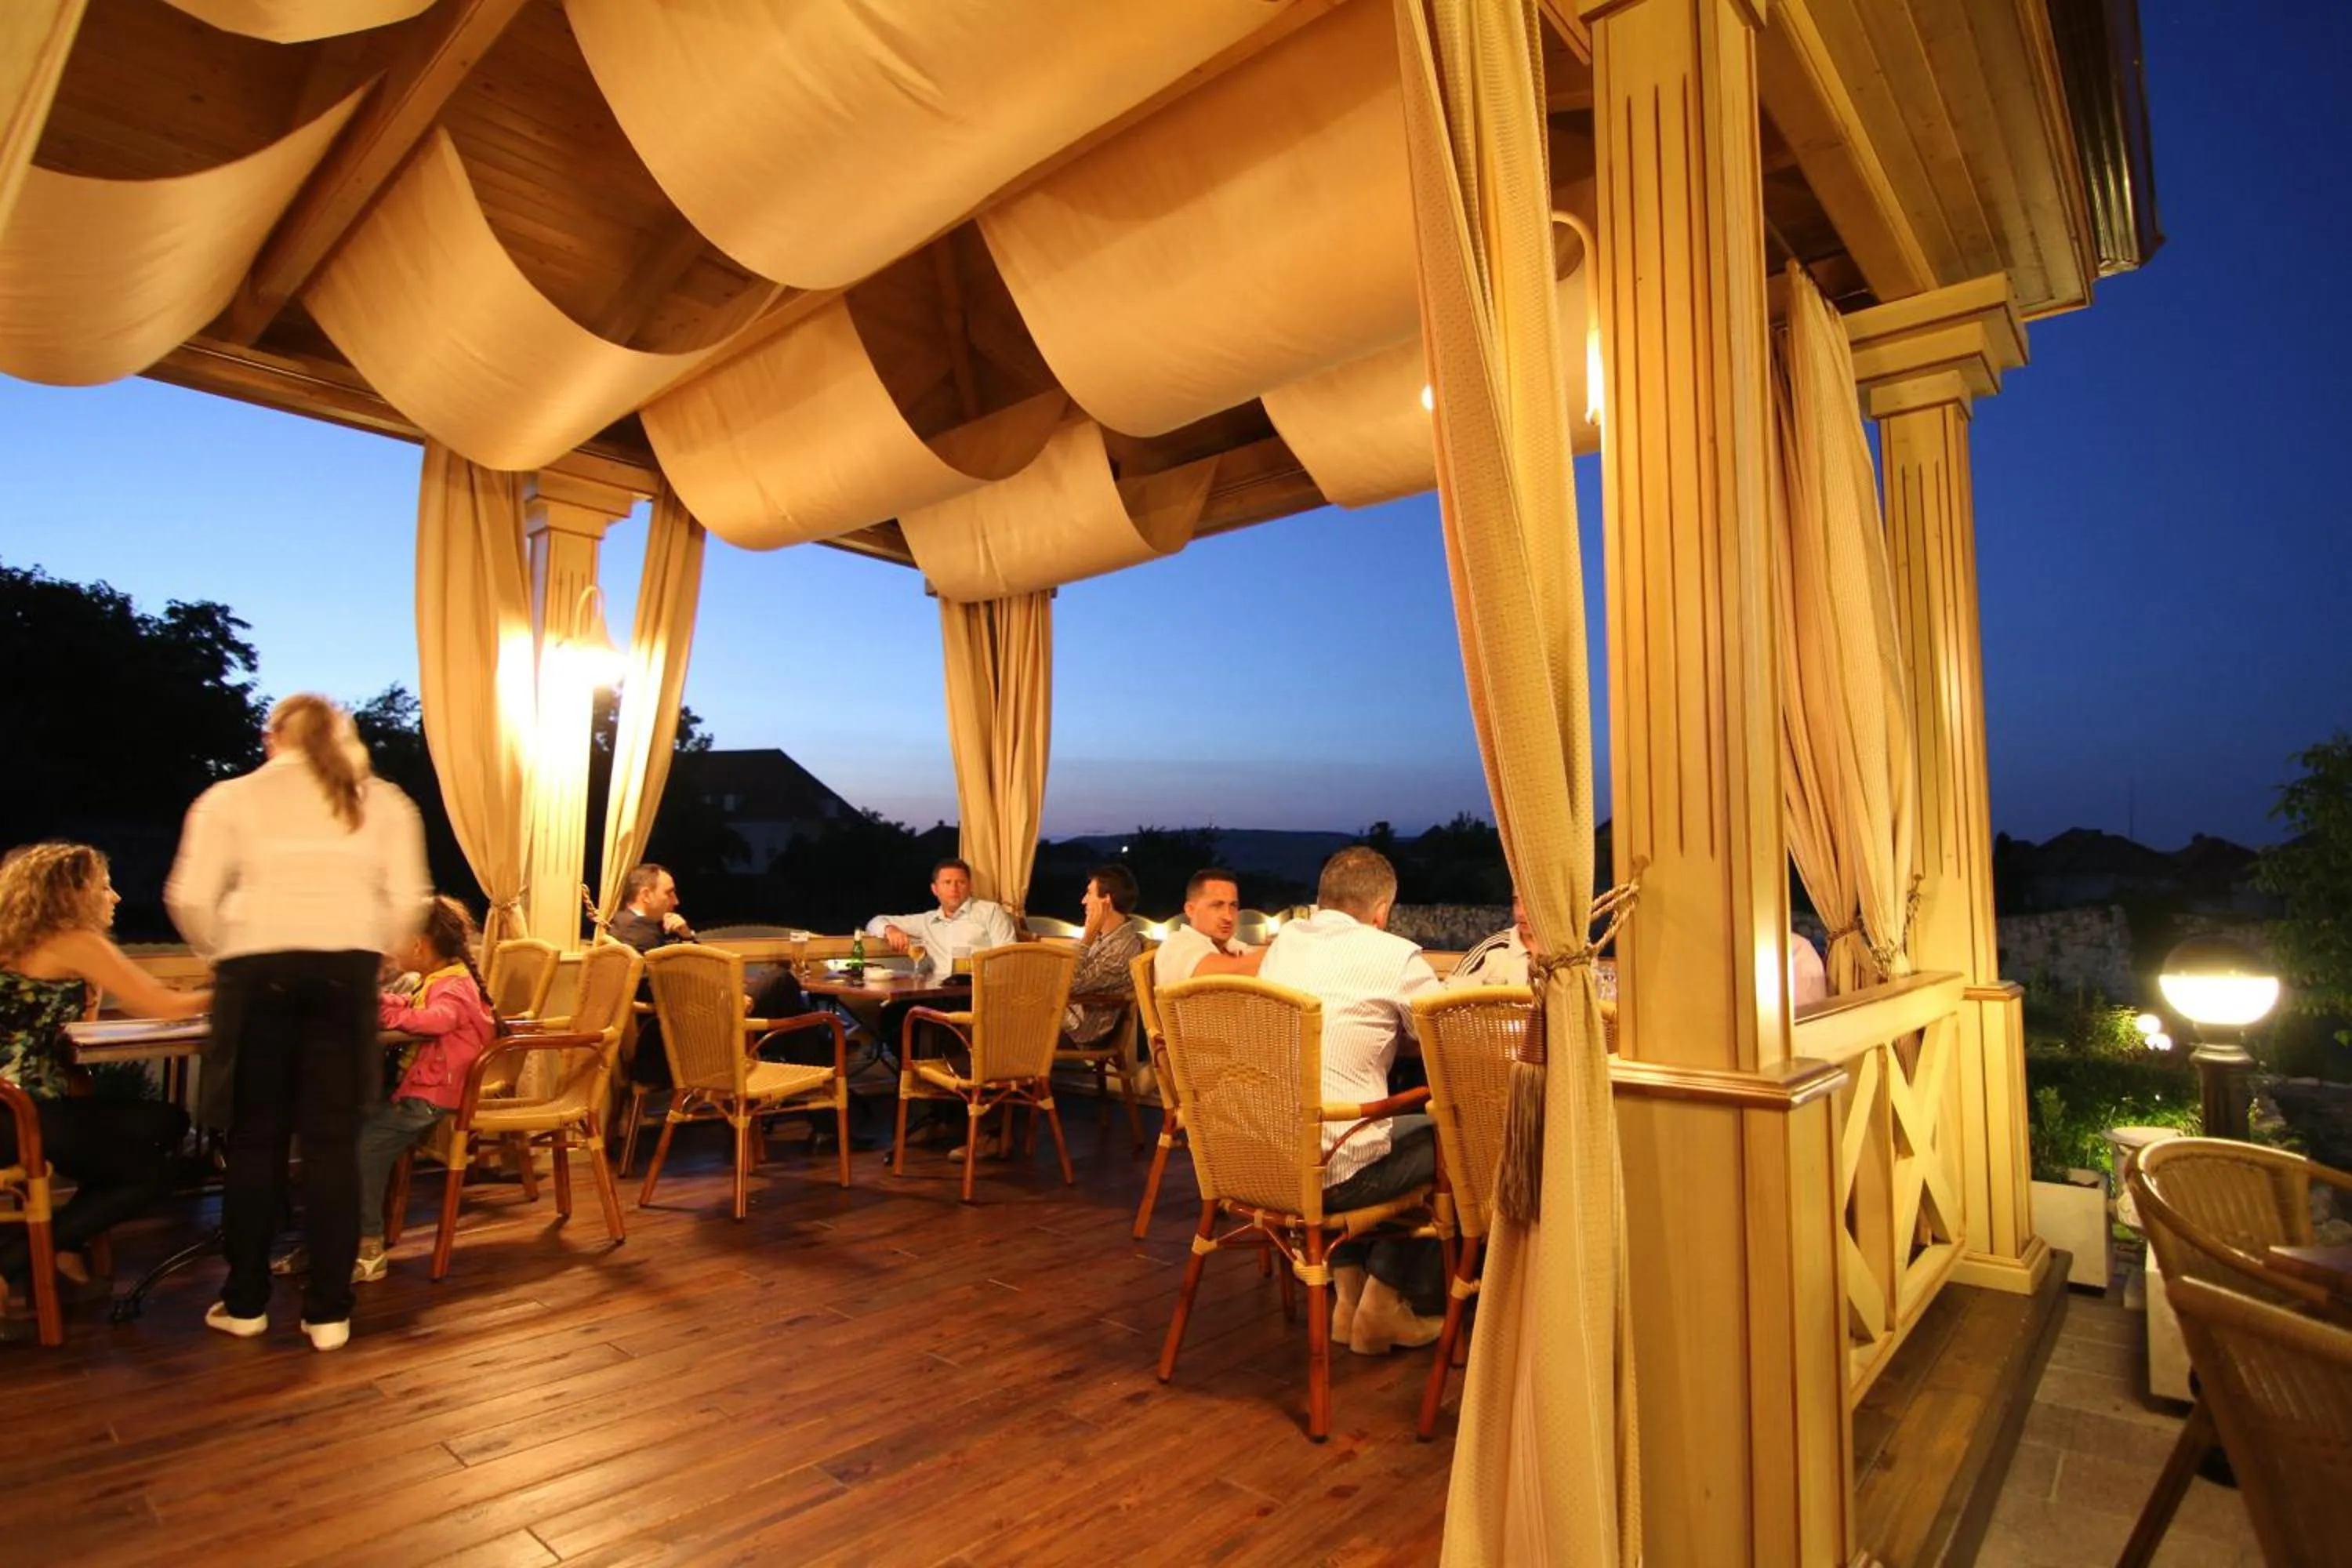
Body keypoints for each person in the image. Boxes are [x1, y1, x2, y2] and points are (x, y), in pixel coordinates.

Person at [166, 693, 430, 1352]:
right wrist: (374, 954)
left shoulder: (229, 799)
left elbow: (191, 898)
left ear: (272, 737)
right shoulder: (387, 803)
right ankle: (329, 1314)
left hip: (256, 971)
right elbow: (409, 904)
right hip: (344, 973)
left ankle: (247, 1301)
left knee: (255, 1141)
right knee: (333, 1148)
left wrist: (223, 952)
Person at [0, 843, 203, 1333]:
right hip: (21, 1113)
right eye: (103, 885)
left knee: (167, 1120)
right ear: (71, 894)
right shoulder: (73, 941)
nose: (114, 896)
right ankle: (19, 1259)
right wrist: (246, 987)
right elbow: (163, 1007)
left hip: (21, 1106)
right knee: (154, 1173)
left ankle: (68, 1241)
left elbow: (73, 1028)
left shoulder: (17, 940)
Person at [1258, 846, 1443, 1356]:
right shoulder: (1395, 955)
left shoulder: (1285, 943)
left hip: (1264, 1161)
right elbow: (1446, 1045)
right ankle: (1384, 1306)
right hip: (1331, 1174)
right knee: (1457, 1133)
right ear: (1381, 912)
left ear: (1323, 900)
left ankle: (1348, 1301)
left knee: (1374, 1126)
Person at [608, 863, 697, 1094]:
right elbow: (678, 983)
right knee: (779, 982)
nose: (676, 901)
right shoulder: (641, 932)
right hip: (672, 1044)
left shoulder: (621, 925)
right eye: (669, 892)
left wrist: (685, 935)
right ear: (646, 895)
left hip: (653, 1037)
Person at [866, 858, 1015, 977]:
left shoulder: (991, 911)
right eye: (947, 882)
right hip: (937, 992)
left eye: (961, 882)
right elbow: (875, 922)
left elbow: (1008, 957)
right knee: (891, 1011)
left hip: (979, 991)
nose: (954, 888)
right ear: (935, 889)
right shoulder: (926, 921)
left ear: (970, 886)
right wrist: (890, 929)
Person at [1063, 864, 1145, 1046]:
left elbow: (1068, 985)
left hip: (1078, 1029)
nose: (1084, 901)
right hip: (1065, 1014)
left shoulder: (1121, 950)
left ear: (1106, 900)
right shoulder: (1105, 938)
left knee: (1003, 1027)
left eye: (1089, 894)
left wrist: (1088, 935)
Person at [1152, 868, 1265, 987]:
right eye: (1217, 905)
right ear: (1190, 910)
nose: (1228, 917)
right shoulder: (1177, 946)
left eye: (1233, 906)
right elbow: (1228, 974)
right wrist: (1281, 948)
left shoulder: (1229, 946)